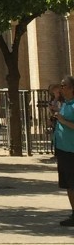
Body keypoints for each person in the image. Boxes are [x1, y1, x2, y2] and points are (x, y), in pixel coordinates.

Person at [53, 76, 74, 226]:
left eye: (64, 85)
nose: (61, 88)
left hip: (72, 150)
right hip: (63, 150)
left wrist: (62, 120)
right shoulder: (66, 104)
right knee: (68, 184)